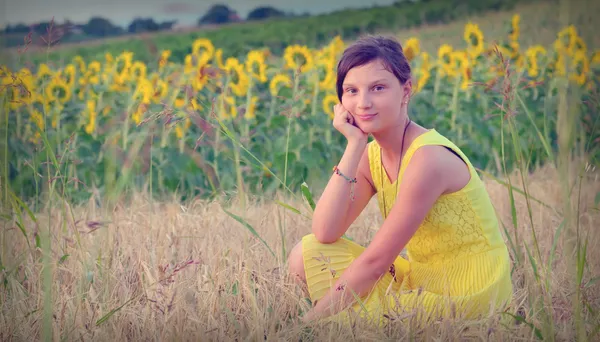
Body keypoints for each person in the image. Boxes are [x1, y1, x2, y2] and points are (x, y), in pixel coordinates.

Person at [287, 35, 513, 327]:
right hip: (422, 278)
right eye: (351, 91)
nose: (363, 103)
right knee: (307, 254)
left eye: (378, 88)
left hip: (469, 290)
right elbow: (325, 231)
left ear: (406, 90)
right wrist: (354, 145)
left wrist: (306, 325)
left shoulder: (428, 158)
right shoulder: (370, 155)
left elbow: (376, 262)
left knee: (352, 319)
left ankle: (336, 320)